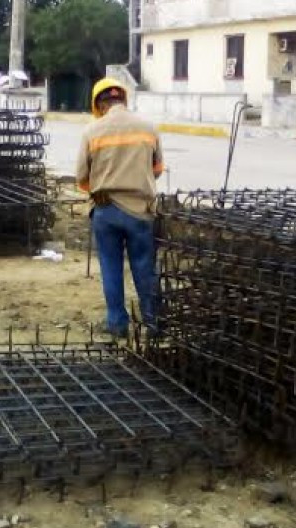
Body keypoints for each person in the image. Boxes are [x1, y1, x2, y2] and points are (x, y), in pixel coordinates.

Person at [76, 78, 165, 340]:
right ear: (123, 100)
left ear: (99, 105)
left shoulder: (92, 131)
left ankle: (117, 324)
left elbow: (82, 177)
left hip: (105, 210)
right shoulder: (148, 128)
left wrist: (101, 187)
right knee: (144, 267)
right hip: (141, 211)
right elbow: (157, 169)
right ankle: (153, 323)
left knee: (111, 266)